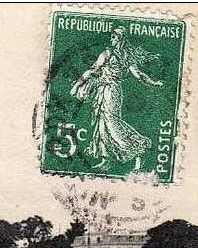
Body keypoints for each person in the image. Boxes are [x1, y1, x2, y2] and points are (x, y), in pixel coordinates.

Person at [70, 27, 163, 170]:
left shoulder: (123, 57)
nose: (111, 39)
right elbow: (93, 70)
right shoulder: (110, 54)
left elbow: (139, 75)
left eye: (114, 37)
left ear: (121, 39)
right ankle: (105, 158)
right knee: (101, 124)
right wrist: (77, 85)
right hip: (103, 90)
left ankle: (137, 146)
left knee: (111, 123)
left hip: (111, 91)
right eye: (111, 37)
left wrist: (153, 83)